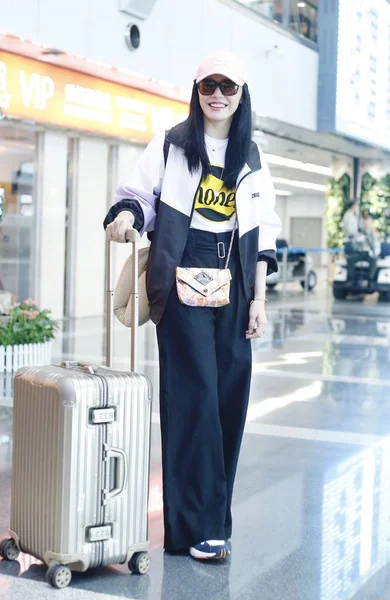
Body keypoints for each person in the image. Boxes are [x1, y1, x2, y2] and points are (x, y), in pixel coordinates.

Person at [104, 51, 281, 561]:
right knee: (194, 397)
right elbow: (135, 195)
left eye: (229, 87)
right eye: (209, 86)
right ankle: (203, 527)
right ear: (196, 89)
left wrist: (259, 301)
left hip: (235, 283)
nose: (218, 95)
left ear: (242, 95)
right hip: (180, 277)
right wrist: (124, 219)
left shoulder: (252, 157)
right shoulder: (170, 144)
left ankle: (203, 525)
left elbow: (264, 231)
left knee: (229, 399)